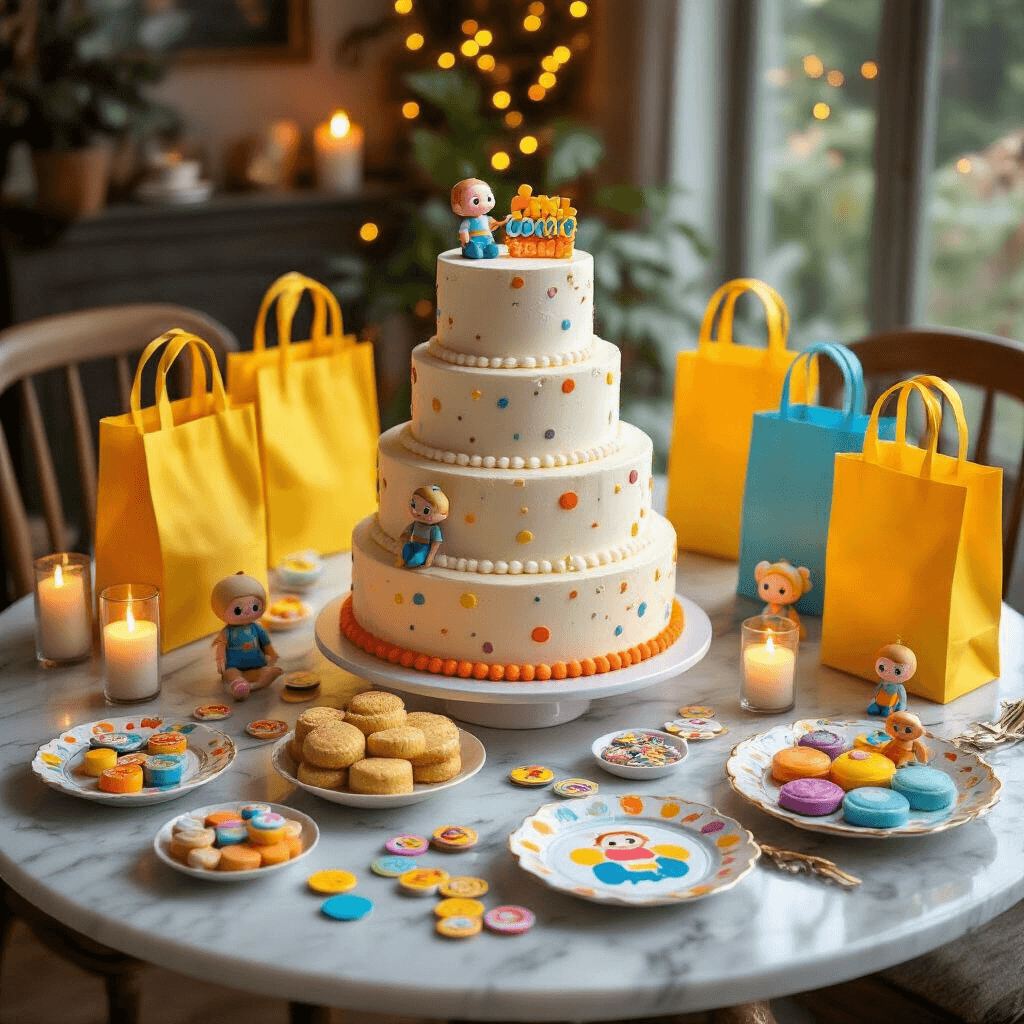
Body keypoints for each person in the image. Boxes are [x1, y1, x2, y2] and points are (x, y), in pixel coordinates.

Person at [210, 571, 282, 701]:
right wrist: (220, 659)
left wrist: (272, 653)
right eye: (238, 610)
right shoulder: (228, 632)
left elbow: (266, 644)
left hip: (256, 663)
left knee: (261, 671)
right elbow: (221, 645)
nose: (248, 612)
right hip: (234, 665)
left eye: (255, 607)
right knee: (231, 673)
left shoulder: (257, 628)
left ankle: (262, 678)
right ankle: (239, 685)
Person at [451, 178, 508, 258]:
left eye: (488, 199)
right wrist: (465, 241)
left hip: (487, 241)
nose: (484, 204)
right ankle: (469, 250)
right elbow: (463, 232)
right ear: (459, 207)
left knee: (493, 251)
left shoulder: (487, 219)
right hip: (474, 242)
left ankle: (486, 249)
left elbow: (495, 225)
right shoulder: (467, 222)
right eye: (476, 201)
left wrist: (504, 221)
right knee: (476, 252)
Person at [396, 485, 449, 569]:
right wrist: (402, 542)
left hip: (424, 548)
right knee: (405, 554)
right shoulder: (415, 524)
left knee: (415, 560)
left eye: (426, 510)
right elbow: (405, 534)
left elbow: (435, 543)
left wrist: (430, 558)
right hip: (412, 543)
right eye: (413, 504)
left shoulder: (434, 529)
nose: (415, 511)